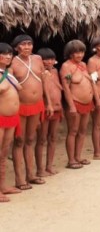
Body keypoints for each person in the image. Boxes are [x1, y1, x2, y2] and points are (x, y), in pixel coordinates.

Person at [10, 35, 51, 189]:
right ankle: (20, 179)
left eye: (29, 44)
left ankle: (31, 174)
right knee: (19, 141)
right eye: (23, 44)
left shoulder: (38, 59)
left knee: (30, 139)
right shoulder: (12, 63)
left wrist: (49, 103)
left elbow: (44, 81)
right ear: (16, 48)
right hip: (20, 106)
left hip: (37, 104)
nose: (27, 47)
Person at [61, 40, 100, 169]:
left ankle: (78, 156)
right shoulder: (66, 67)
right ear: (70, 53)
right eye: (76, 52)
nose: (79, 55)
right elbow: (66, 87)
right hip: (75, 102)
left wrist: (96, 99)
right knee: (73, 131)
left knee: (82, 131)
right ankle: (71, 160)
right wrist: (71, 106)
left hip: (87, 102)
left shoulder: (84, 65)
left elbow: (91, 83)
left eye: (82, 52)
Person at [35, 48, 63, 176]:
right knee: (41, 139)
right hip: (46, 109)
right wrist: (49, 105)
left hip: (57, 108)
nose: (49, 62)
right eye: (46, 59)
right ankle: (40, 169)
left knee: (53, 137)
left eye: (52, 59)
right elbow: (44, 92)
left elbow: (58, 88)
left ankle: (49, 166)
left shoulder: (56, 71)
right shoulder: (39, 73)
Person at [0, 43, 22, 202]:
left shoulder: (9, 73)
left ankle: (3, 185)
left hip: (12, 117)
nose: (8, 57)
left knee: (4, 152)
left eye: (9, 54)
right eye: (4, 54)